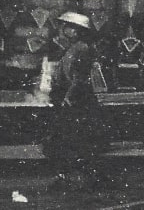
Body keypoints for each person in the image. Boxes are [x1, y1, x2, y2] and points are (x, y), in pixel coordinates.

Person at [41, 12, 111, 191]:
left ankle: (79, 179)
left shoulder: (81, 49)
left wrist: (68, 98)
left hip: (78, 102)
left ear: (78, 31)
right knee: (70, 142)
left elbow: (79, 79)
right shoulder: (72, 48)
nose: (65, 29)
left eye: (69, 27)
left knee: (74, 142)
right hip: (72, 100)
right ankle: (73, 178)